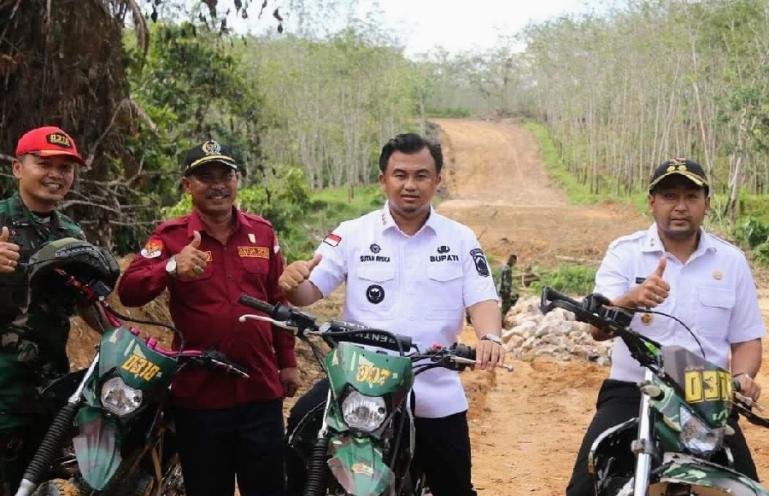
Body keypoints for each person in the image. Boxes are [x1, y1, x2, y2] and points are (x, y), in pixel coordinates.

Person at [279, 132, 505, 496]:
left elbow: (482, 299)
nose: (410, 185)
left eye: (421, 175)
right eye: (400, 175)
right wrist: (291, 283)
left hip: (431, 381)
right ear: (383, 179)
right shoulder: (352, 233)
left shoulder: (460, 239)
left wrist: (489, 337)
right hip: (356, 380)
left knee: (455, 485)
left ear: (438, 180)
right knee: (301, 425)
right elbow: (308, 291)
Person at [566, 158, 765, 495]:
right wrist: (632, 299)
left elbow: (746, 340)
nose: (680, 206)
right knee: (585, 487)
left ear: (707, 203)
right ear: (652, 202)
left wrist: (743, 377)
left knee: (744, 485)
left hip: (708, 395)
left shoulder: (730, 261)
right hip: (634, 390)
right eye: (670, 196)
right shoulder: (625, 254)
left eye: (691, 196)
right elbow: (598, 329)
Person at [117, 140, 299, 496]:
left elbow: (278, 300)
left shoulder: (261, 232)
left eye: (225, 175)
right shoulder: (171, 236)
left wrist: (288, 362)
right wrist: (171, 266)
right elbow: (130, 290)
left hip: (260, 388)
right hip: (199, 395)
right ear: (188, 185)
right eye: (206, 176)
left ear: (237, 180)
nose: (218, 184)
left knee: (268, 487)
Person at [0, 126, 92, 494]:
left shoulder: (72, 235)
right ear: (18, 168)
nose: (56, 174)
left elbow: (88, 303)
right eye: (44, 163)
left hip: (51, 394)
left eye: (65, 167)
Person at [498, 253, 518, 322]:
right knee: (506, 307)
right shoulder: (508, 269)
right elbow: (506, 282)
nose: (515, 263)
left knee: (505, 306)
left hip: (502, 290)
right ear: (512, 260)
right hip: (505, 291)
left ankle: (501, 321)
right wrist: (509, 291)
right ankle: (500, 322)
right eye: (515, 261)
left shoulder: (505, 267)